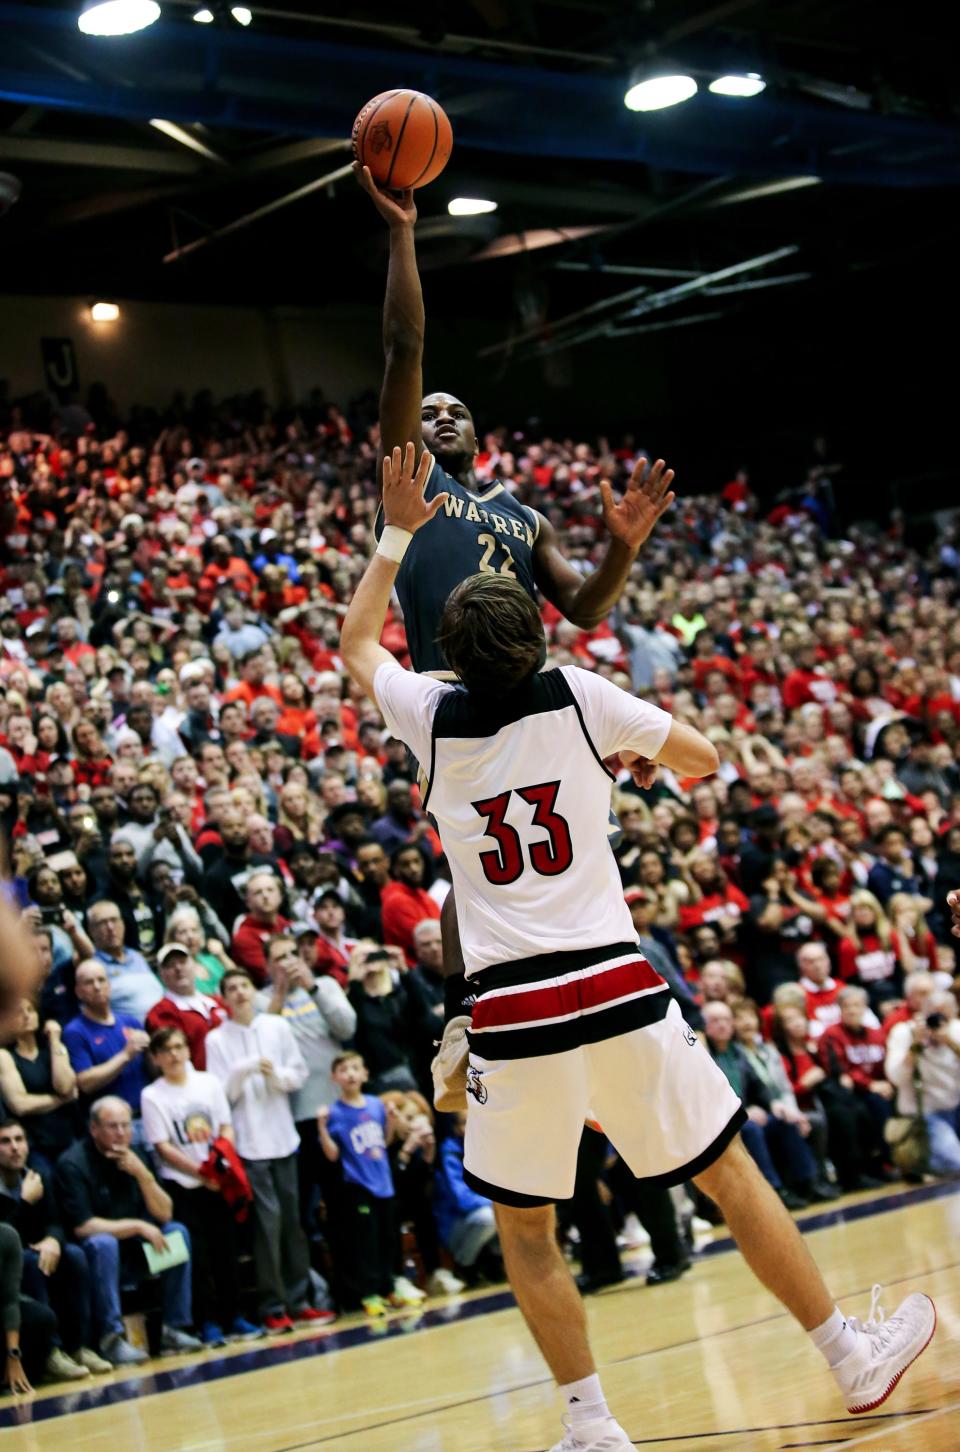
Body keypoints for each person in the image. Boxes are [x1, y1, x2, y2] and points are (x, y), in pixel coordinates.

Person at [337, 442, 936, 1450]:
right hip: (615, 986)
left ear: (453, 652)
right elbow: (702, 759)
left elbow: (358, 642)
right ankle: (847, 1354)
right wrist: (630, 756)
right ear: (535, 633)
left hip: (511, 1012)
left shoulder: (430, 717)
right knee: (728, 1174)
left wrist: (397, 531)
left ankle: (591, 1424)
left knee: (528, 1231)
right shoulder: (578, 695)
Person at [357, 157, 676, 1020]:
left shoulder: (522, 513)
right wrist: (402, 232)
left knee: (556, 847)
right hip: (449, 691)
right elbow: (404, 347)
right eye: (429, 411)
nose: (441, 416)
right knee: (471, 858)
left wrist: (623, 549)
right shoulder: (411, 482)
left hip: (532, 686)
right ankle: (468, 1011)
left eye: (456, 410)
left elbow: (586, 608)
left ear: (480, 431)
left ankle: (571, 992)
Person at [204, 968, 331, 1331]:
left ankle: (300, 1300)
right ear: (224, 997)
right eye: (232, 988)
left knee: (293, 1223)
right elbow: (220, 1094)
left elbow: (298, 1073)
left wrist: (276, 1076)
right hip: (248, 1143)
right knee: (267, 1226)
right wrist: (243, 1070)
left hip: (283, 1137)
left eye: (244, 985)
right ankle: (272, 1306)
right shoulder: (217, 1040)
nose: (240, 992)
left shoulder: (276, 1026)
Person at [54, 1096, 202, 1365]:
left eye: (126, 1125)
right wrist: (137, 1225)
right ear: (94, 1129)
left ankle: (174, 1328)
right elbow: (84, 1226)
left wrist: (143, 1175)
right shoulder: (73, 1164)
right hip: (97, 1258)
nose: (121, 1133)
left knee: (176, 1232)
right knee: (103, 1243)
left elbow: (164, 1213)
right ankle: (111, 1338)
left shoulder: (137, 1155)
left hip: (138, 1253)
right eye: (112, 1126)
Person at [140, 1027, 263, 1347]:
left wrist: (220, 1165)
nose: (175, 1054)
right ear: (155, 1058)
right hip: (182, 1184)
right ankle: (206, 1322)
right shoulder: (153, 1094)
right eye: (166, 1050)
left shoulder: (208, 1082)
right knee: (199, 1256)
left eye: (179, 1047)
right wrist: (199, 1172)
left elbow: (225, 1126)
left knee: (227, 1250)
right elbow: (162, 1146)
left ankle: (234, 1316)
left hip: (218, 1182)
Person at [256, 934, 356, 1232]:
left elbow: (347, 1027)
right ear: (266, 966)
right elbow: (263, 1048)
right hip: (295, 1116)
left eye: (291, 955)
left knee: (346, 1199)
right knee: (305, 1208)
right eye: (278, 958)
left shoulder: (325, 986)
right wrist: (279, 996)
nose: (287, 963)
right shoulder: (260, 1001)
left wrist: (311, 988)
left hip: (339, 1108)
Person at [0, 1116, 112, 1379]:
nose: (15, 1147)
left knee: (74, 1255)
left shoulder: (37, 1176)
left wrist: (52, 1240)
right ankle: (51, 1352)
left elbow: (57, 1223)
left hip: (36, 1251)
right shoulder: (24, 1190)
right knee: (31, 1262)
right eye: (5, 1142)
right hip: (9, 1267)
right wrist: (24, 1202)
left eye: (19, 1140)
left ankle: (77, 1347)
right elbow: (3, 1239)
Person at [317, 1051, 405, 1316]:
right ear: (335, 1078)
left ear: (365, 1074)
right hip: (358, 1186)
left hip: (384, 1183)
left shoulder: (376, 1104)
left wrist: (391, 1121)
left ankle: (389, 1286)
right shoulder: (334, 1112)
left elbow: (386, 1141)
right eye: (343, 1069)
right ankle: (369, 1292)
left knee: (387, 1238)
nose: (351, 1073)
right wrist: (321, 1128)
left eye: (355, 1068)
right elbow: (332, 1154)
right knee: (364, 1242)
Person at [62, 958, 149, 1127]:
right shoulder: (75, 1032)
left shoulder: (131, 1022)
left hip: (146, 1115)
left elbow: (151, 1068)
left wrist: (153, 1049)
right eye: (89, 982)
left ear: (109, 984)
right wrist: (125, 1055)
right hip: (111, 1126)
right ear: (78, 991)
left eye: (101, 980)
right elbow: (85, 1083)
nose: (97, 986)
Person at [885, 990, 960, 1175]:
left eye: (945, 1017)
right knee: (955, 1162)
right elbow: (896, 1078)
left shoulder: (957, 1030)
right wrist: (915, 1047)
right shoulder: (905, 1033)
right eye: (934, 1016)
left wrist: (951, 1043)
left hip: (956, 1108)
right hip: (925, 1115)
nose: (939, 1023)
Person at [0, 998, 78, 1173]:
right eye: (19, 1012)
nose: (26, 1016)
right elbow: (20, 1105)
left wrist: (55, 1040)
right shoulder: (5, 1056)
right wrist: (61, 1100)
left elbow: (65, 1086)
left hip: (68, 1135)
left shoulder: (53, 1048)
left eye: (30, 1010)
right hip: (36, 1144)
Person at [145, 943, 227, 1070]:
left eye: (183, 962)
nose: (178, 968)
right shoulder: (161, 1012)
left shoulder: (216, 1001)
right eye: (170, 965)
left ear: (194, 966)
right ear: (162, 974)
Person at [87, 898, 164, 1022]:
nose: (111, 927)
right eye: (103, 923)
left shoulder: (137, 956)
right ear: (91, 930)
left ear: (122, 923)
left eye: (114, 920)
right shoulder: (93, 966)